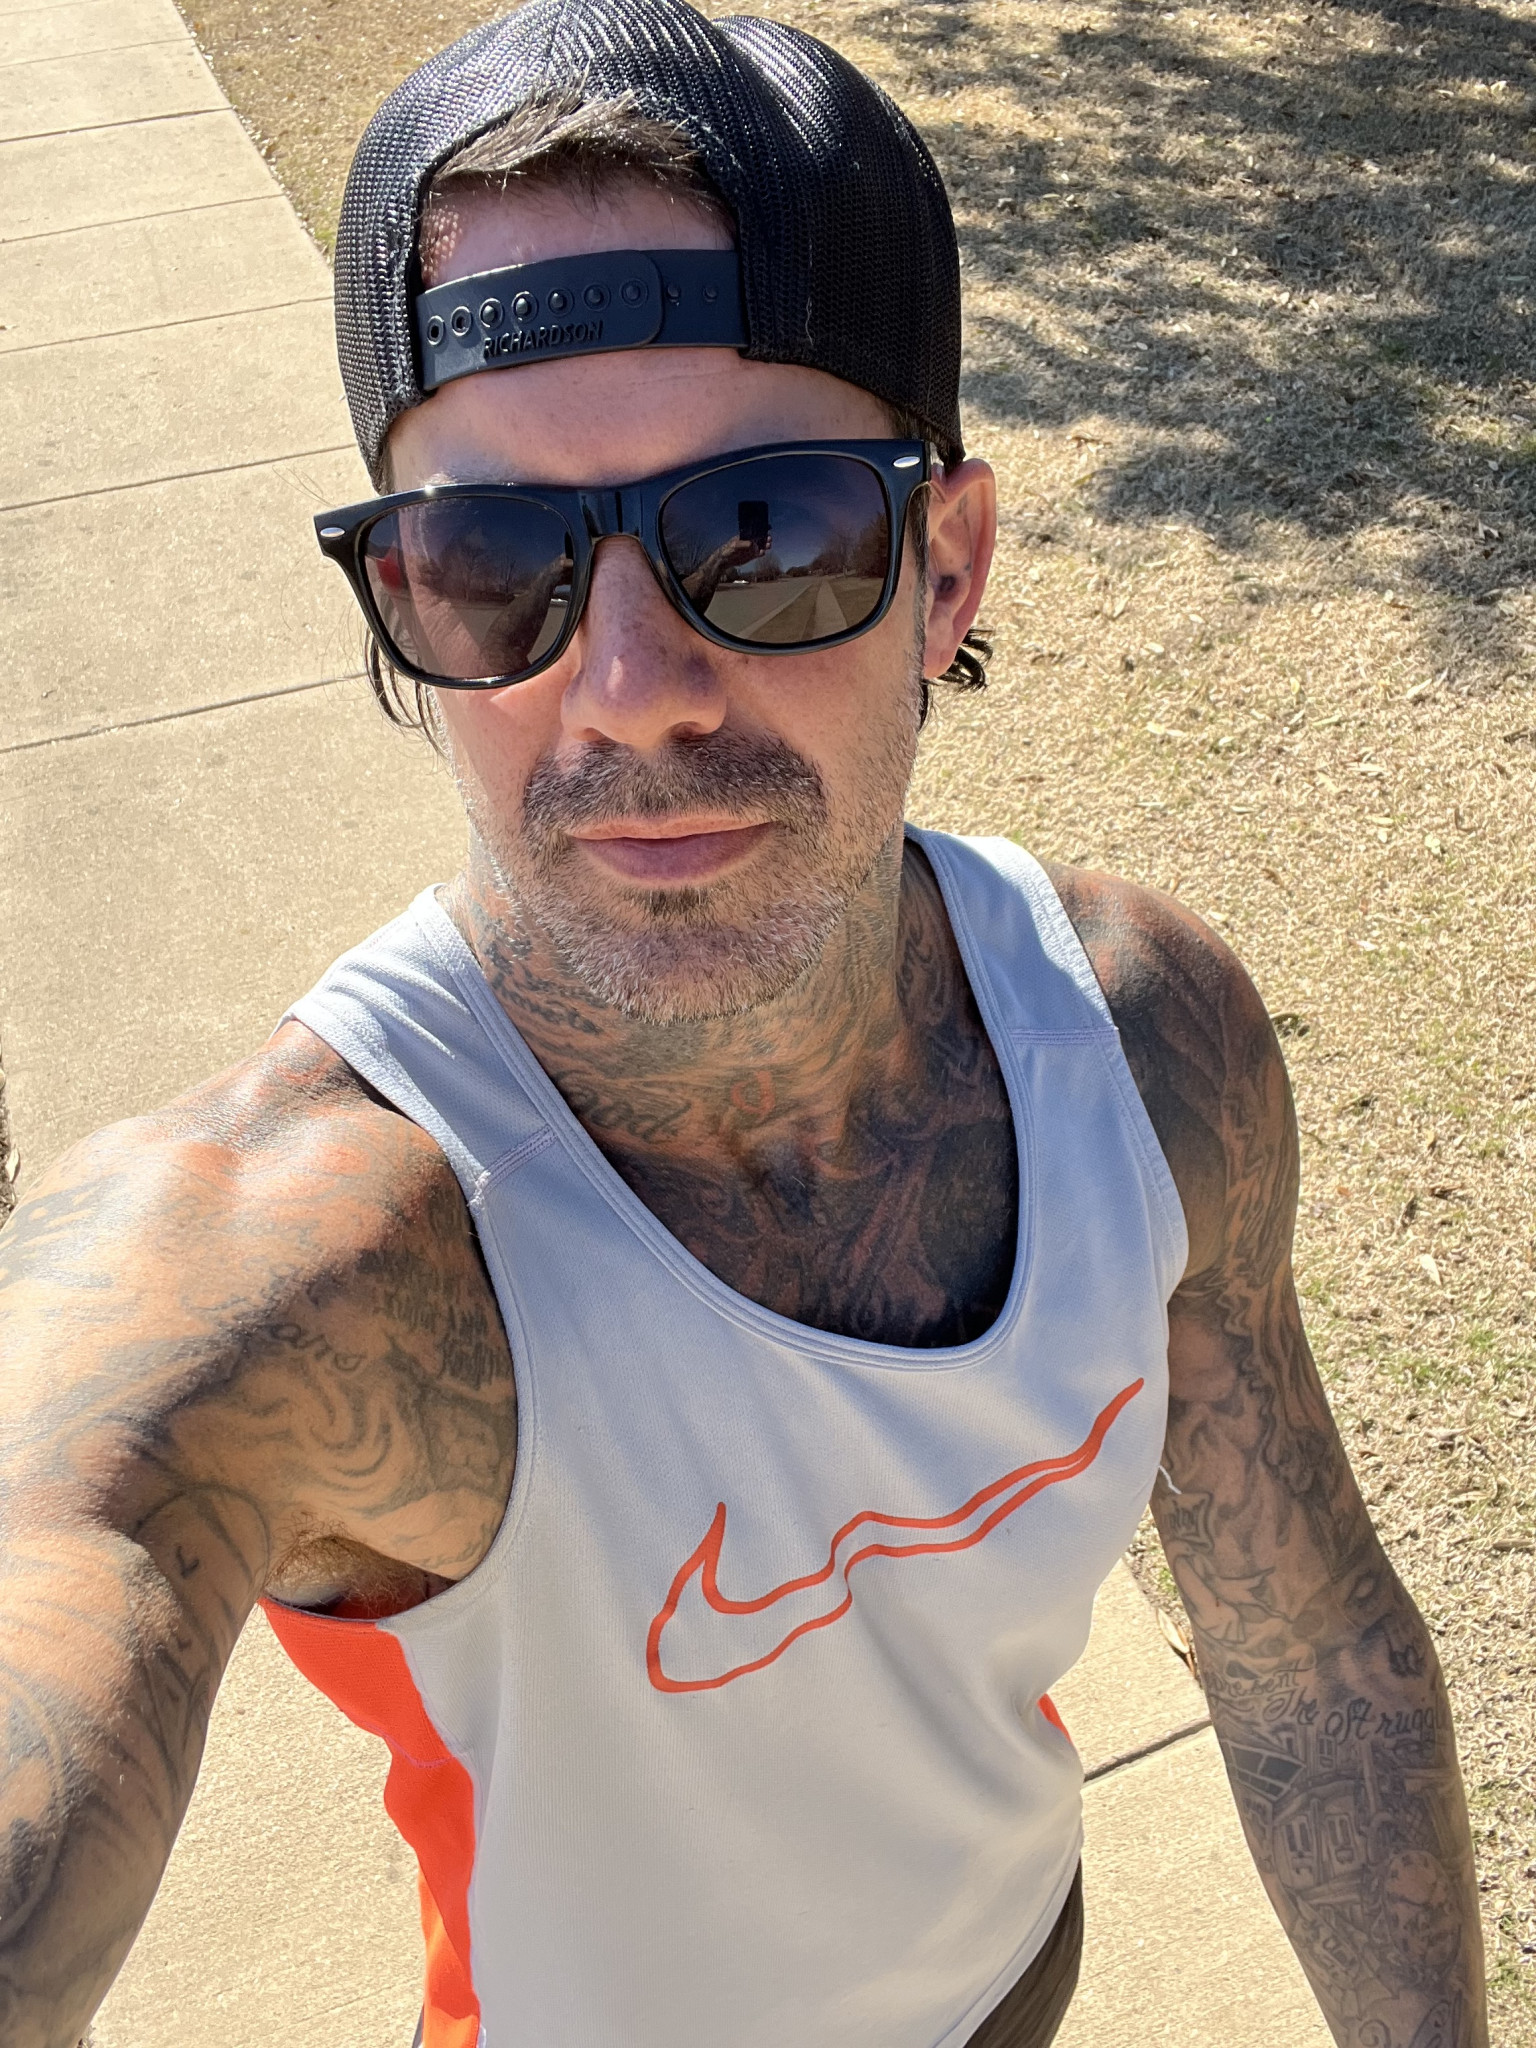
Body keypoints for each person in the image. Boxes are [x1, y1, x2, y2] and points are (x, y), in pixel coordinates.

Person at [0, 4, 1489, 2045]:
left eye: (767, 533)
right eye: (491, 562)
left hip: (1018, 1976)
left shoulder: (1141, 1052)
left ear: (946, 570)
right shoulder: (304, 1260)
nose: (631, 690)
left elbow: (1310, 1659)